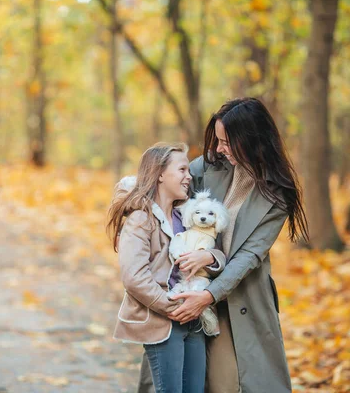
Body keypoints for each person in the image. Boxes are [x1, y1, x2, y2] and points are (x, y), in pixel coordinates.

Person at [138, 98, 309, 393]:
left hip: (236, 299)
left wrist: (208, 291)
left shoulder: (277, 195)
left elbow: (249, 256)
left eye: (226, 142)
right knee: (177, 381)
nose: (218, 149)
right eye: (217, 141)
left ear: (251, 140)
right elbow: (163, 192)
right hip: (185, 285)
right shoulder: (207, 167)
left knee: (225, 384)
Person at [107, 143, 227, 393]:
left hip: (194, 320)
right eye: (182, 169)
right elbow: (134, 278)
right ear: (160, 174)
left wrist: (209, 258)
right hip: (164, 322)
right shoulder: (141, 219)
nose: (189, 176)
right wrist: (173, 307)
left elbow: (213, 250)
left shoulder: (187, 216)